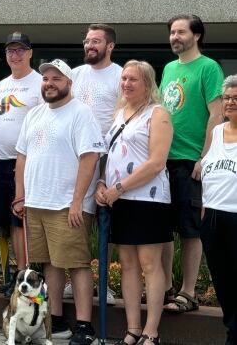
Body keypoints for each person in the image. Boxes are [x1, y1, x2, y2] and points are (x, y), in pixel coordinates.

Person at [13, 59, 103, 345]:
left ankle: (84, 325)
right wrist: (20, 196)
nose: (49, 83)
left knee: (76, 264)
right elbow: (22, 157)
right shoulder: (35, 114)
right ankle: (57, 320)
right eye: (46, 79)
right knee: (49, 264)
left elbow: (90, 157)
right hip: (37, 202)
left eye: (56, 79)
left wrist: (77, 201)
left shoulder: (81, 113)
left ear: (69, 82)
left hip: (67, 205)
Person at [95, 61, 173, 345]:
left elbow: (156, 162)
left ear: (147, 84)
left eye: (134, 80)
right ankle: (133, 329)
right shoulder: (119, 113)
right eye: (124, 78)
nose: (126, 84)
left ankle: (151, 332)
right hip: (119, 199)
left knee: (150, 264)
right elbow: (111, 154)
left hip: (148, 200)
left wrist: (118, 187)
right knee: (127, 263)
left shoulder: (158, 114)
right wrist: (103, 183)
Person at [159, 14, 224, 313]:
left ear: (196, 35)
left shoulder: (209, 67)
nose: (175, 37)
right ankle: (165, 287)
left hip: (191, 159)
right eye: (172, 32)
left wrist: (205, 157)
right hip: (162, 159)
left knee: (189, 229)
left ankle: (188, 292)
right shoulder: (170, 68)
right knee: (163, 228)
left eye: (181, 32)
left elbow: (216, 114)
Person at [68, 23, 123, 305]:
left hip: (107, 155)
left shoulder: (120, 76)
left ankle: (104, 283)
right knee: (79, 216)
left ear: (110, 46)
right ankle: (76, 277)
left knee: (105, 219)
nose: (90, 45)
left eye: (96, 41)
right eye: (87, 41)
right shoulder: (75, 75)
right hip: (76, 155)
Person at [0, 32, 42, 291]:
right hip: (1, 162)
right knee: (7, 223)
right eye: (10, 50)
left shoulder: (40, 83)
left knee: (24, 220)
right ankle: (16, 276)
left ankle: (28, 276)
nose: (15, 55)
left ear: (30, 53)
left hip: (29, 163)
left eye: (20, 50)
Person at [201, 74, 237, 345]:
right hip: (212, 216)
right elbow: (209, 174)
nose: (230, 103)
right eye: (227, 98)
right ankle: (232, 331)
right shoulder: (216, 132)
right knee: (223, 281)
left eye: (236, 98)